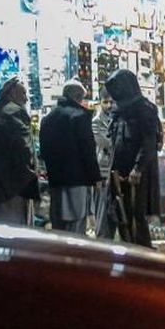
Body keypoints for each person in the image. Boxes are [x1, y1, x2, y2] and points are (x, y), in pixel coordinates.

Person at [105, 69, 161, 247]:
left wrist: (138, 168)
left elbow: (149, 141)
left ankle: (141, 252)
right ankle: (128, 249)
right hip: (118, 172)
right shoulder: (118, 110)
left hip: (136, 175)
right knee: (121, 214)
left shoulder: (145, 109)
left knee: (136, 215)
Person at [41, 81, 102, 234]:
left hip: (56, 181)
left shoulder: (48, 118)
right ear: (78, 97)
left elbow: (44, 151)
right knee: (76, 226)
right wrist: (96, 178)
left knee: (58, 226)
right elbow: (87, 150)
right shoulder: (79, 117)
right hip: (77, 181)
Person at [0, 77, 39, 225]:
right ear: (12, 93)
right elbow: (24, 150)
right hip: (13, 186)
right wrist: (30, 177)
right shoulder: (14, 112)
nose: (26, 99)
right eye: (23, 93)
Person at [92, 86, 115, 237]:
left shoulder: (116, 118)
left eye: (111, 102)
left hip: (114, 168)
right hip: (103, 168)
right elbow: (105, 143)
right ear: (100, 102)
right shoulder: (96, 122)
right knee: (102, 206)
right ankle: (102, 235)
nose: (109, 105)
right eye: (105, 102)